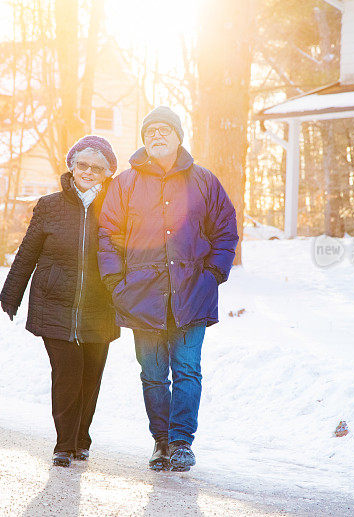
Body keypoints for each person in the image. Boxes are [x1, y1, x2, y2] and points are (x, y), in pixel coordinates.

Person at [98, 106, 239, 472]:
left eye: (163, 130)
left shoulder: (204, 180)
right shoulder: (125, 183)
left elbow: (225, 230)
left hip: (193, 292)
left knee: (188, 369)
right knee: (153, 373)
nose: (156, 136)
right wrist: (116, 281)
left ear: (178, 136)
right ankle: (161, 442)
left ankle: (181, 443)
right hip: (141, 296)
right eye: (149, 132)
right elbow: (108, 234)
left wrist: (214, 274)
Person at [0, 135, 120, 467]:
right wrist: (12, 292)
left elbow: (129, 255)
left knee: (91, 374)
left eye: (97, 167)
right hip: (54, 301)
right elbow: (28, 252)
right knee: (68, 371)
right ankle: (64, 444)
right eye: (83, 164)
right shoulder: (49, 205)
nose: (89, 172)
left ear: (108, 172)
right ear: (72, 166)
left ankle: (82, 437)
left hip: (100, 306)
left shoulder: (116, 207)